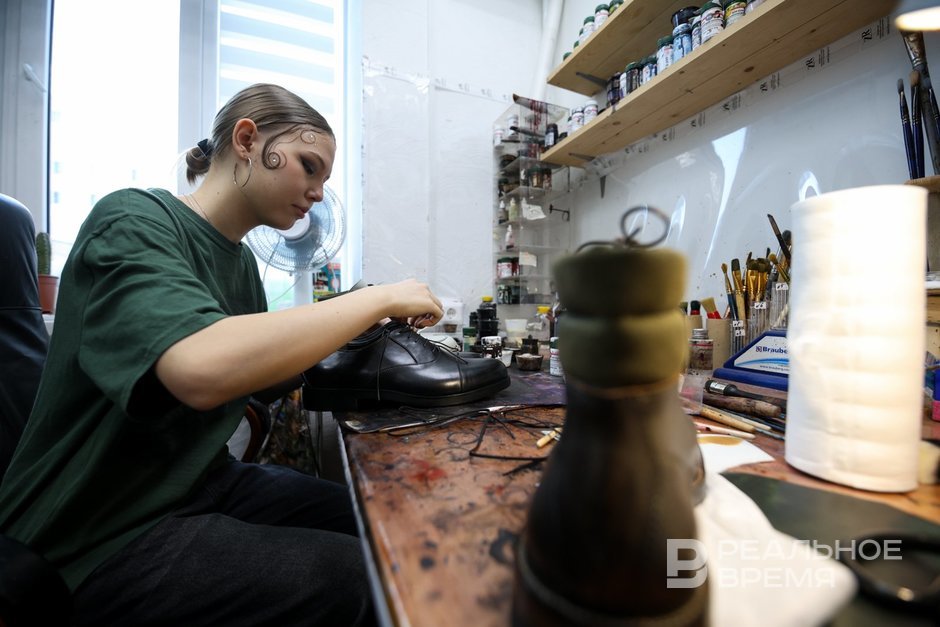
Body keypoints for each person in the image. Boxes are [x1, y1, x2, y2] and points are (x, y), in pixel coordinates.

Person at [0, 83, 443, 625]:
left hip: (198, 482)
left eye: (324, 180)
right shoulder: (133, 219)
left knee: (387, 520)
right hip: (99, 527)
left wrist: (359, 329)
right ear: (247, 139)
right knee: (356, 578)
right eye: (308, 167)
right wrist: (376, 298)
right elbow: (200, 369)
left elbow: (260, 380)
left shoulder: (240, 265)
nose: (317, 194)